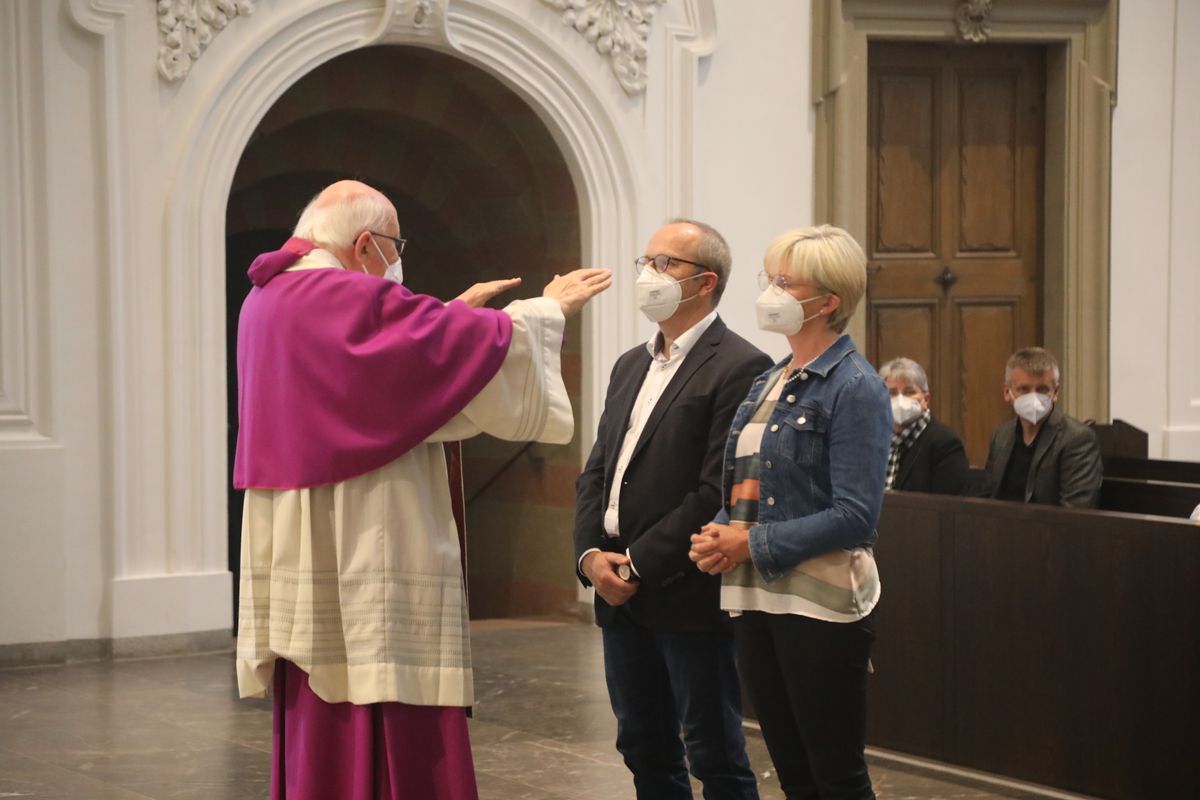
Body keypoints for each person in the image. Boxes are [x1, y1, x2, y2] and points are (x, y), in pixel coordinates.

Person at [233, 179, 611, 800]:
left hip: (301, 525)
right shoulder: (336, 293)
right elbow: (404, 364)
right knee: (379, 680)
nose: (396, 259)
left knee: (322, 689)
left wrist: (453, 316)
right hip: (363, 523)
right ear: (363, 244)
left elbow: (382, 372)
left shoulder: (270, 295)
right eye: (394, 245)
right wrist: (549, 312)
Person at [689, 225, 890, 800]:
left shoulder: (855, 387)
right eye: (769, 278)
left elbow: (855, 515)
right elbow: (749, 484)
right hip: (757, 596)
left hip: (820, 605)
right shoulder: (768, 379)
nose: (770, 292)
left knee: (836, 777)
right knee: (795, 773)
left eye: (784, 282)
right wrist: (723, 529)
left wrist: (748, 544)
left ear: (827, 302)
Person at [573, 219, 770, 799]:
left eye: (665, 264)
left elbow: (716, 490)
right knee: (643, 748)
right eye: (646, 262)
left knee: (714, 751)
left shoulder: (740, 365)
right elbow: (598, 470)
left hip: (685, 589)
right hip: (617, 587)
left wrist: (636, 563)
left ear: (705, 282)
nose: (648, 275)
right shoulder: (630, 364)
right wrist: (590, 556)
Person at [978, 346, 1102, 508]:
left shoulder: (1077, 439)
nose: (1033, 396)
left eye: (1042, 389)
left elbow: (1076, 511)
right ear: (1007, 392)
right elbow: (987, 498)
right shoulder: (1001, 435)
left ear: (1055, 392)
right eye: (1024, 389)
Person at [878, 357, 969, 495]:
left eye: (909, 392)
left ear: (925, 399)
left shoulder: (945, 443)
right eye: (892, 393)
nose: (900, 399)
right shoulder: (875, 440)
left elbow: (949, 507)